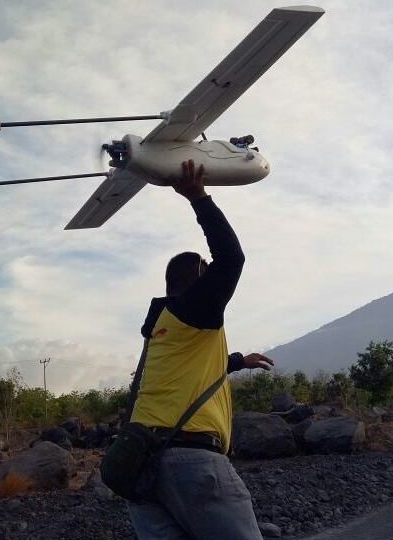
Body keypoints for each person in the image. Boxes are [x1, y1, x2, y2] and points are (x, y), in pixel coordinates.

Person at [127, 159, 274, 540]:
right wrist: (199, 199)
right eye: (206, 269)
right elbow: (233, 259)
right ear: (197, 280)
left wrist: (238, 361)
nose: (212, 273)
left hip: (142, 466)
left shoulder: (163, 327)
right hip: (190, 460)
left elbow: (192, 373)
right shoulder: (195, 308)